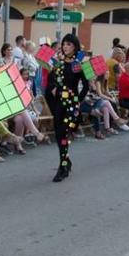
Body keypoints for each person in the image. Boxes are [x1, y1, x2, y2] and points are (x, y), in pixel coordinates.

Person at [44, 33, 90, 182]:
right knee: (59, 136)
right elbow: (51, 81)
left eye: (69, 44)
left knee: (64, 134)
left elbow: (85, 86)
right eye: (64, 44)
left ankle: (62, 166)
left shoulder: (77, 64)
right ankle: (66, 161)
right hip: (59, 105)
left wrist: (78, 101)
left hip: (72, 106)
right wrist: (53, 88)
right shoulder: (58, 63)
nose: (65, 47)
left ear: (75, 47)